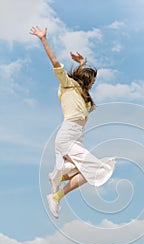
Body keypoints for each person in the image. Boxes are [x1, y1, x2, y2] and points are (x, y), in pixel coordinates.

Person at [30, 26, 115, 218]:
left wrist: (83, 62)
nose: (92, 85)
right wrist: (43, 39)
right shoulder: (68, 85)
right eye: (91, 82)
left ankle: (59, 177)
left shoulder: (83, 95)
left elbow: (84, 80)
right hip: (68, 135)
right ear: (85, 80)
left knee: (90, 171)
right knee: (98, 170)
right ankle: (57, 193)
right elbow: (55, 62)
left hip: (77, 137)